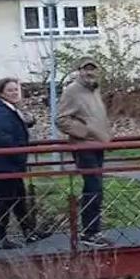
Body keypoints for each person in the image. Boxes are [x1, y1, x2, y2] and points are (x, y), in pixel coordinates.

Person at [56, 57, 112, 248]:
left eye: (93, 69)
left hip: (98, 145)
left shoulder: (94, 89)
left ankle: (93, 230)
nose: (90, 72)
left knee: (96, 188)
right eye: (86, 69)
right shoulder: (72, 90)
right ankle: (90, 233)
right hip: (84, 146)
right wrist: (85, 132)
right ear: (79, 71)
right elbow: (61, 120)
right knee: (93, 187)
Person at [0, 77, 41, 249]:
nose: (15, 93)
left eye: (16, 89)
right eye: (10, 90)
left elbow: (12, 128)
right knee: (7, 199)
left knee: (19, 197)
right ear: (1, 93)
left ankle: (29, 232)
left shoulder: (7, 109)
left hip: (8, 162)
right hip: (4, 163)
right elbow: (4, 137)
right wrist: (19, 153)